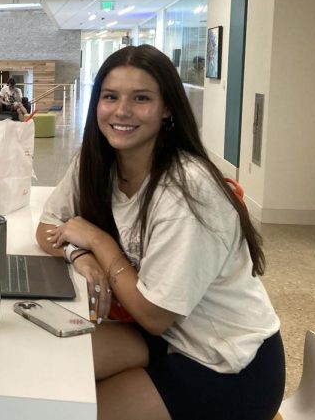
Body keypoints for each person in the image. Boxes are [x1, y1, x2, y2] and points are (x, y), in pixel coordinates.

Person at [35, 45, 284, 420]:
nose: (122, 111)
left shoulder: (187, 190)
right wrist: (79, 254)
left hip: (224, 363)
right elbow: (48, 227)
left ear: (167, 108)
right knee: (47, 374)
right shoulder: (96, 161)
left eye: (141, 99)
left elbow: (153, 314)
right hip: (164, 339)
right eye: (110, 97)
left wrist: (98, 241)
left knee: (74, 411)